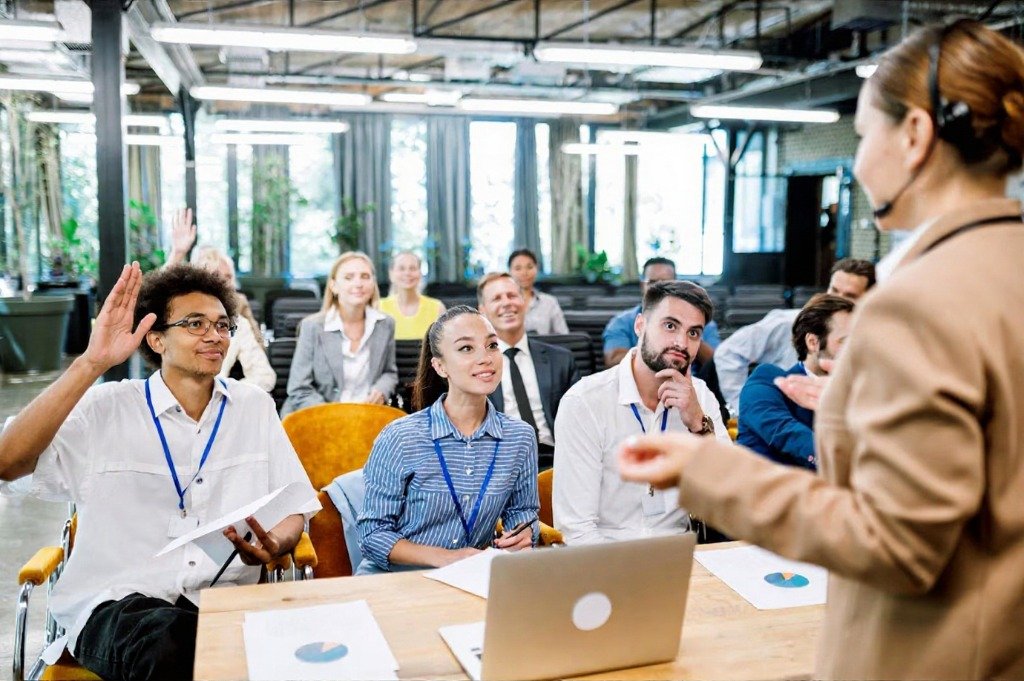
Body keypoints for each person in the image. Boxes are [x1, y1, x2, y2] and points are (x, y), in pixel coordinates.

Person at [617, 20, 1024, 679]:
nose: (859, 162)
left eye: (864, 136)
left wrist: (709, 470)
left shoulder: (918, 299)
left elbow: (897, 543)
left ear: (914, 134)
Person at [0, 263, 319, 681]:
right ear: (156, 339)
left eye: (223, 325)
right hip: (117, 606)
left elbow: (294, 504)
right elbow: (8, 462)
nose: (214, 335)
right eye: (195, 323)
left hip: (219, 601)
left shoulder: (253, 408)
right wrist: (90, 363)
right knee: (173, 641)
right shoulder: (107, 408)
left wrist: (276, 541)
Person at [357, 306, 540, 574]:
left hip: (471, 576)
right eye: (466, 348)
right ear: (440, 366)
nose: (485, 358)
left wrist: (524, 534)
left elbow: (523, 512)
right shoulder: (400, 436)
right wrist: (446, 558)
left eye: (491, 345)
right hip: (397, 578)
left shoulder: (520, 437)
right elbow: (372, 535)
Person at [554, 281, 729, 545]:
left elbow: (728, 497)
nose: (681, 343)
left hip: (683, 550)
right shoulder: (585, 401)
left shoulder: (701, 396)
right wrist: (630, 567)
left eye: (693, 333)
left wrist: (698, 425)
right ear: (640, 325)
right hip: (607, 553)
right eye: (670, 326)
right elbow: (576, 528)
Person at [714, 258, 875, 414]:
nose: (837, 299)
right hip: (782, 412)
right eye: (834, 290)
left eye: (850, 295)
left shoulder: (875, 339)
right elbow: (728, 353)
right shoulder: (787, 323)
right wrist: (743, 407)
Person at [736, 294, 854, 470]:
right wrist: (850, 467)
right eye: (846, 342)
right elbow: (787, 434)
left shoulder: (860, 394)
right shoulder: (768, 379)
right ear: (813, 342)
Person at [476, 272, 580, 467]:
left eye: (512, 295)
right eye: (497, 298)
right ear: (482, 311)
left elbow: (581, 421)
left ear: (524, 302)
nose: (506, 303)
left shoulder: (561, 360)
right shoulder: (473, 367)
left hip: (557, 461)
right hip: (500, 464)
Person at [167, 208, 275, 392]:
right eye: (216, 277)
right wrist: (177, 254)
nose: (225, 285)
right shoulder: (176, 320)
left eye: (229, 277)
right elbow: (154, 301)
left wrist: (224, 393)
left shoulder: (238, 325)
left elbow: (265, 377)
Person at [281, 251, 397, 416]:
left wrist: (381, 390)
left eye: (365, 276)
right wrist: (335, 416)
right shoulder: (312, 327)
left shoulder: (385, 324)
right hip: (320, 415)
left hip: (367, 415)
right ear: (334, 286)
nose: (358, 283)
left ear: (373, 283)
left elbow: (389, 372)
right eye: (349, 277)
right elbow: (299, 388)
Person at [602, 257, 720, 368]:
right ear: (642, 285)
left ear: (677, 285)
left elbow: (717, 364)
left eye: (666, 283)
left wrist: (690, 333)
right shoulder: (622, 322)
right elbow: (613, 362)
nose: (659, 289)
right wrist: (656, 346)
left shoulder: (703, 323)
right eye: (652, 282)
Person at [378, 250, 446, 340]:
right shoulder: (378, 308)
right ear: (391, 274)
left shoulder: (437, 308)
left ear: (420, 273)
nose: (407, 273)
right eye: (401, 268)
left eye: (413, 268)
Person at [507, 248, 569, 335]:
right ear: (509, 272)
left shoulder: (549, 302)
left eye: (529, 267)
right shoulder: (504, 303)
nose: (524, 273)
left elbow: (564, 336)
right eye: (518, 268)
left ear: (536, 269)